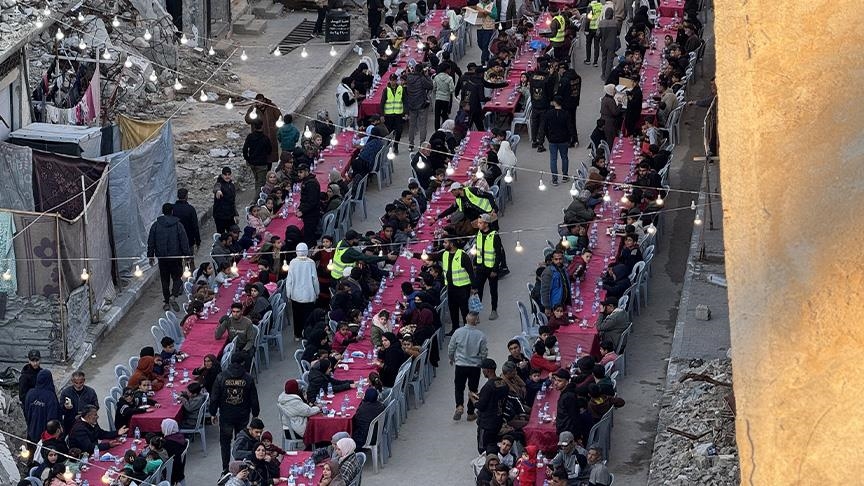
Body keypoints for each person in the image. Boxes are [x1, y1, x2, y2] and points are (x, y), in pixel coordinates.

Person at [210, 352, 261, 473]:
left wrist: (213, 412)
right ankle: (240, 469)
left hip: (226, 415)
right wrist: (255, 413)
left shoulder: (221, 377)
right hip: (242, 415)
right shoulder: (248, 378)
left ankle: (225, 469)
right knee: (241, 443)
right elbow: (254, 398)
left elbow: (214, 397)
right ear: (243, 363)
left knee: (225, 443)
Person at [147, 202, 192, 312]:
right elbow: (184, 241)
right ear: (172, 211)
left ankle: (166, 302)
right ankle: (174, 295)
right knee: (178, 277)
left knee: (164, 280)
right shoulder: (178, 225)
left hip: (162, 258)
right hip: (175, 257)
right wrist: (187, 255)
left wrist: (150, 256)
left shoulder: (156, 225)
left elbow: (151, 241)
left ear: (163, 212)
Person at [449, 311, 488, 421]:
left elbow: (451, 347)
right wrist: (483, 364)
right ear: (477, 321)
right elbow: (484, 352)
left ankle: (459, 406)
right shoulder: (481, 335)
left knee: (459, 387)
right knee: (473, 389)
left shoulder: (457, 332)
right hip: (474, 366)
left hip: (460, 365)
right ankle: (470, 413)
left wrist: (451, 358)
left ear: (466, 319)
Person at [285, 242, 320, 341]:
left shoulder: (293, 262)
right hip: (309, 294)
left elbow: (289, 280)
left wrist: (288, 294)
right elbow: (315, 279)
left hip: (295, 294)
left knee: (297, 316)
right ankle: (307, 334)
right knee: (308, 316)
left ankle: (297, 334)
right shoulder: (311, 262)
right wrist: (317, 292)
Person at [473, 213, 505, 321]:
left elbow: (499, 254)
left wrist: (495, 269)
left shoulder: (494, 235)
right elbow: (478, 250)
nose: (478, 225)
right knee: (478, 291)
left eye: (480, 223)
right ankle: (476, 313)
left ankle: (494, 310)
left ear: (486, 224)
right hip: (480, 267)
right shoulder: (478, 234)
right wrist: (475, 263)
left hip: (491, 269)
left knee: (493, 290)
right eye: (478, 223)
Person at [473, 358, 508, 454]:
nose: (482, 371)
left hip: (486, 424)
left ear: (487, 370)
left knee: (483, 449)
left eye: (483, 369)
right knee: (494, 446)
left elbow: (481, 406)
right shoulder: (503, 383)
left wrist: (473, 399)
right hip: (498, 421)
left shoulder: (488, 387)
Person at [543, 96, 575, 185]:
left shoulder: (549, 113)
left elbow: (545, 127)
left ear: (555, 103)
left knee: (553, 159)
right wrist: (570, 138)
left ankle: (554, 179)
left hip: (552, 139)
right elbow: (570, 127)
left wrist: (548, 136)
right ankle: (565, 176)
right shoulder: (566, 114)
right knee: (564, 157)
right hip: (563, 139)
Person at [24, 369, 59, 446]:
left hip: (31, 431)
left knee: (31, 450)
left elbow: (26, 411)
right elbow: (52, 417)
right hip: (45, 436)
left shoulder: (30, 393)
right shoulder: (50, 396)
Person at [405, 64, 434, 150]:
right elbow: (431, 86)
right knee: (423, 126)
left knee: (412, 126)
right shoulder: (422, 79)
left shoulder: (409, 78)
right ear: (422, 71)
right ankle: (422, 144)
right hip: (422, 105)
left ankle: (411, 144)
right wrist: (427, 76)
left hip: (412, 105)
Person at [243, 120, 275, 194]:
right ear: (262, 126)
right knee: (261, 183)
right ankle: (257, 198)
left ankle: (257, 195)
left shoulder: (250, 137)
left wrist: (247, 159)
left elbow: (245, 149)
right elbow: (269, 150)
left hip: (252, 162)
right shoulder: (265, 138)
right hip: (262, 164)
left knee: (257, 180)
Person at [293, 163, 321, 245]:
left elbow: (312, 202)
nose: (299, 174)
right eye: (298, 172)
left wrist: (302, 211)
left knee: (309, 236)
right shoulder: (307, 181)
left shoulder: (311, 184)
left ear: (307, 171)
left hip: (311, 215)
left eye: (301, 172)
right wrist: (300, 208)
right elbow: (305, 199)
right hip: (309, 213)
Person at [528, 61, 553, 151]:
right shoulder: (547, 78)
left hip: (535, 103)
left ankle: (534, 141)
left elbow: (531, 90)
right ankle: (540, 144)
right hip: (544, 104)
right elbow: (549, 92)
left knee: (534, 123)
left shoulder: (533, 77)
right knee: (542, 124)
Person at [541, 251, 571, 315]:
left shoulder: (562, 268)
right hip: (554, 306)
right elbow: (545, 291)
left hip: (563, 304)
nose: (558, 261)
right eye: (556, 259)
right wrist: (547, 307)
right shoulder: (548, 272)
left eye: (560, 259)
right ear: (552, 259)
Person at [380, 75, 405, 153]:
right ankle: (388, 147)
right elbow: (382, 103)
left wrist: (406, 112)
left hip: (398, 114)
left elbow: (405, 101)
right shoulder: (386, 90)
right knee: (389, 132)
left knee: (399, 131)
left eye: (394, 80)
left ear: (396, 80)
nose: (392, 82)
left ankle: (396, 145)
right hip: (389, 115)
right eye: (391, 80)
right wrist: (382, 115)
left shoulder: (401, 88)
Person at [172, 188, 201, 253]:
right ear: (186, 196)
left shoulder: (172, 208)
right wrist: (198, 241)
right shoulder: (190, 209)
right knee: (189, 257)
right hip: (189, 240)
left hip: (175, 240)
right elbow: (195, 226)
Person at [213, 167, 239, 235]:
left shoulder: (232, 186)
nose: (227, 176)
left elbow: (233, 202)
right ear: (222, 175)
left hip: (230, 216)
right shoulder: (219, 184)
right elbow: (216, 188)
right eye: (225, 175)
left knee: (233, 233)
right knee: (222, 235)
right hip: (220, 216)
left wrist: (236, 214)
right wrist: (218, 191)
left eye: (229, 174)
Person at [598, 9, 618, 81]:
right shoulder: (615, 23)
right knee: (610, 60)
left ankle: (603, 74)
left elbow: (598, 34)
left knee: (604, 59)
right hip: (612, 44)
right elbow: (618, 32)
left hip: (603, 43)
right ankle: (607, 76)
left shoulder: (601, 23)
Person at [432, 64, 455, 128]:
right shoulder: (449, 78)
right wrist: (448, 92)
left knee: (437, 116)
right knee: (445, 115)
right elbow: (452, 89)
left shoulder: (436, 77)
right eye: (449, 69)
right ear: (447, 69)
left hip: (438, 98)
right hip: (446, 99)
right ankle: (444, 128)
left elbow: (434, 87)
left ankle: (437, 129)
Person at [474, 0, 497, 64]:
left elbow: (495, 16)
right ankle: (486, 55)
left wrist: (489, 13)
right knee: (479, 43)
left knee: (485, 44)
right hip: (480, 27)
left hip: (488, 27)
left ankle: (483, 60)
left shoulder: (492, 5)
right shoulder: (478, 5)